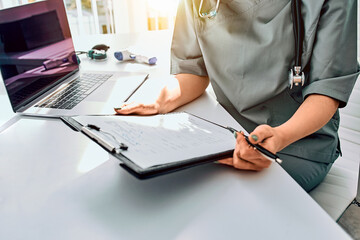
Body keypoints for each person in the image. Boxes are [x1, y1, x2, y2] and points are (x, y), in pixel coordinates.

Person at [115, 0, 359, 192]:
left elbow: (326, 91)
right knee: (153, 182)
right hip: (225, 133)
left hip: (297, 143)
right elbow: (193, 70)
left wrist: (280, 136)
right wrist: (160, 101)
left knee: (214, 198)